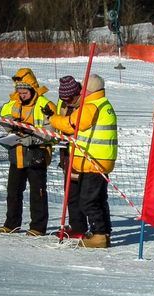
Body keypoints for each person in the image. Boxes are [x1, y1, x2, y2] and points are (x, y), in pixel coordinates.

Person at [42, 74, 117, 248]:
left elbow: (71, 125)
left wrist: (52, 119)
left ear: (89, 89)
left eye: (83, 88)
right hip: (99, 159)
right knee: (99, 199)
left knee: (88, 201)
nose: (81, 90)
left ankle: (98, 235)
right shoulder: (103, 104)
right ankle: (105, 232)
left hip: (93, 160)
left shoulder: (91, 106)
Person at [0, 68, 57, 236]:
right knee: (13, 191)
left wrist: (33, 138)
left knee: (37, 192)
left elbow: (52, 130)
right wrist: (11, 125)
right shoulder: (13, 103)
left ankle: (38, 227)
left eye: (24, 92)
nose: (22, 95)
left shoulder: (45, 104)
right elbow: (2, 118)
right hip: (17, 152)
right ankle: (11, 224)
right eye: (19, 91)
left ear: (32, 89)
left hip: (37, 154)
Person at [54, 75, 88, 239]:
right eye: (63, 98)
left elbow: (73, 125)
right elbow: (61, 123)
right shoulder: (64, 103)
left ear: (76, 94)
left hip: (81, 155)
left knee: (83, 194)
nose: (65, 101)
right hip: (67, 153)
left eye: (68, 98)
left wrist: (58, 122)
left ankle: (84, 227)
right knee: (71, 193)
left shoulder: (84, 104)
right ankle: (76, 226)